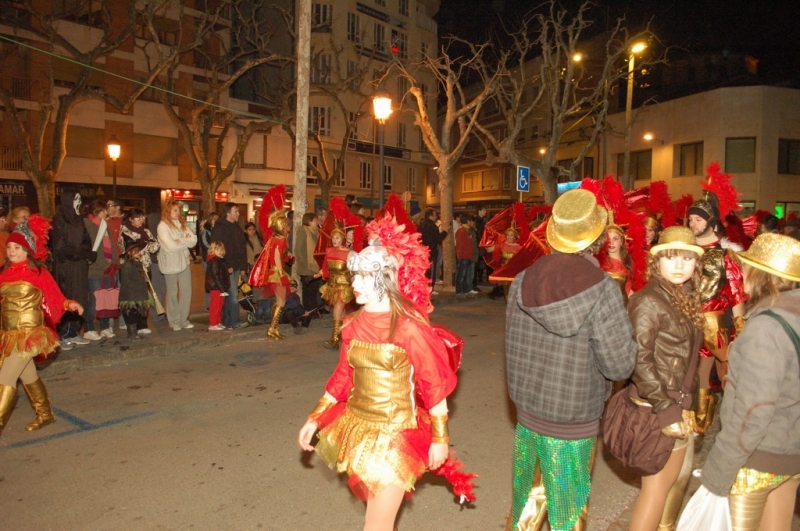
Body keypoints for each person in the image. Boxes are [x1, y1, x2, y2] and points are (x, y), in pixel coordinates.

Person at [298, 214, 468, 531]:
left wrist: (440, 438)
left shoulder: (409, 328)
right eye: (354, 276)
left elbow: (434, 386)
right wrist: (315, 418)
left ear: (386, 278)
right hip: (359, 431)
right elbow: (342, 379)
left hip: (396, 437)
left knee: (376, 525)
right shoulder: (351, 325)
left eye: (365, 276)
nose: (355, 284)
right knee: (378, 520)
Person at [505, 189, 637, 531]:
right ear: (595, 239)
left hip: (528, 412)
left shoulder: (521, 281)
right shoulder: (603, 288)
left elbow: (514, 346)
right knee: (568, 513)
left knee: (527, 506)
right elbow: (619, 365)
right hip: (573, 418)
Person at [701, 233, 800, 531]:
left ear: (763, 275)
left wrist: (719, 470)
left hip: (757, 460)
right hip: (790, 457)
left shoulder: (766, 328)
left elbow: (754, 410)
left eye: (747, 267)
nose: (741, 272)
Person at [626, 226, 706, 531]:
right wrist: (667, 409)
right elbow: (639, 359)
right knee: (657, 490)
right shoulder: (648, 300)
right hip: (660, 408)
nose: (679, 265)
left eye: (687, 259)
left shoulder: (683, 295)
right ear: (656, 262)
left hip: (679, 404)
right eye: (671, 258)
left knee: (675, 483)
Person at [0, 217, 84, 437]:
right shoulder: (3, 273)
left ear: (27, 250)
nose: (12, 251)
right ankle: (45, 414)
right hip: (9, 333)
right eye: (9, 247)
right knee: (27, 375)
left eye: (17, 247)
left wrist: (69, 303)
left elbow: (55, 297)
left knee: (5, 378)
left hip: (30, 333)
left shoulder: (38, 273)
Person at [687, 194, 746, 434]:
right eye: (690, 219)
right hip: (686, 320)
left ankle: (717, 420)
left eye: (698, 219)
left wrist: (741, 329)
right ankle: (695, 420)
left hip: (714, 322)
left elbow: (737, 294)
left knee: (723, 370)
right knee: (692, 371)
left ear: (711, 222)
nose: (692, 223)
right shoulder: (685, 252)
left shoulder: (725, 256)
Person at [51, 192, 95, 349]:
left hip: (80, 267)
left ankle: (74, 331)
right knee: (68, 298)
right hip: (66, 267)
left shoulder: (79, 220)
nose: (78, 203)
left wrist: (85, 252)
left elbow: (86, 239)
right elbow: (59, 246)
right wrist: (77, 253)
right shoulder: (59, 220)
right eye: (75, 199)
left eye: (80, 200)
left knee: (80, 298)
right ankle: (63, 334)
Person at [249, 186, 291, 340]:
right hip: (277, 272)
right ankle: (272, 328)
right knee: (281, 301)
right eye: (286, 224)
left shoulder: (273, 239)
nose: (288, 226)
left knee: (279, 301)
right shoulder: (279, 240)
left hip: (273, 272)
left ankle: (274, 327)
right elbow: (278, 256)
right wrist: (282, 274)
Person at [157, 200, 197, 332]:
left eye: (178, 210)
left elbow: (193, 241)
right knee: (172, 292)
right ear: (168, 211)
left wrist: (181, 241)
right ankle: (174, 321)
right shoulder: (163, 226)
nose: (178, 213)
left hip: (184, 261)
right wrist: (183, 241)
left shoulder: (182, 224)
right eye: (175, 210)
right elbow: (171, 246)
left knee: (186, 290)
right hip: (171, 263)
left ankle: (183, 319)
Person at [83, 199, 118, 341]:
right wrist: (103, 264)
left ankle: (105, 327)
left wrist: (115, 261)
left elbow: (110, 244)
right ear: (98, 211)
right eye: (104, 210)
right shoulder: (88, 225)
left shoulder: (104, 224)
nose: (107, 212)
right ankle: (89, 328)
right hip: (96, 270)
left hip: (109, 268)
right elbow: (93, 248)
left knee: (107, 299)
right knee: (95, 300)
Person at [211, 202, 247, 329]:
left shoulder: (237, 227)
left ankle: (226, 321)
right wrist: (225, 266)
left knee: (231, 294)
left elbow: (242, 247)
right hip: (227, 267)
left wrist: (243, 266)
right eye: (235, 211)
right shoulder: (220, 228)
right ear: (228, 213)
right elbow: (217, 249)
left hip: (237, 265)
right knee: (232, 295)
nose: (238, 213)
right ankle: (234, 321)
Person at [317, 222, 352, 349]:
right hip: (332, 285)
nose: (334, 240)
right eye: (333, 238)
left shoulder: (348, 253)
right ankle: (345, 336)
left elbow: (354, 270)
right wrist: (320, 273)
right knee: (341, 312)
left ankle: (335, 339)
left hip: (344, 286)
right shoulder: (330, 251)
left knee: (337, 310)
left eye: (337, 238)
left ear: (343, 239)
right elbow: (325, 267)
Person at [118, 238, 153, 340]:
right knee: (131, 315)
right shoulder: (127, 265)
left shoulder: (137, 264)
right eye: (137, 251)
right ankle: (132, 333)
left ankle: (134, 333)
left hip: (138, 294)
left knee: (137, 314)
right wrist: (137, 287)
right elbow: (125, 281)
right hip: (131, 296)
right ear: (131, 252)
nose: (139, 253)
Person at [598, 222, 633, 302]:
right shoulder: (601, 264)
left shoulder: (630, 262)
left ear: (621, 242)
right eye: (608, 239)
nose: (611, 242)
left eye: (615, 238)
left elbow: (629, 288)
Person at [295, 212, 322, 312]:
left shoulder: (317, 232)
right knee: (308, 291)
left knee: (314, 290)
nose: (317, 222)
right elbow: (299, 249)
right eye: (315, 220)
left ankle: (313, 310)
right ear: (309, 221)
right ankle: (308, 311)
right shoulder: (303, 230)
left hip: (315, 267)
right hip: (306, 268)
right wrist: (305, 263)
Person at [418, 209, 447, 294]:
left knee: (425, 271)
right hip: (431, 251)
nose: (436, 217)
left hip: (422, 251)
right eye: (434, 215)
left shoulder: (421, 225)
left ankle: (424, 287)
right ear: (430, 216)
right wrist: (445, 232)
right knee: (431, 270)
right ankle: (430, 288)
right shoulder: (432, 226)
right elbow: (438, 238)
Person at [205, 241, 230, 332]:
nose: (221, 251)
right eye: (218, 250)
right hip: (216, 287)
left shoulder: (218, 260)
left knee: (219, 305)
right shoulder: (215, 261)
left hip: (218, 286)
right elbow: (216, 276)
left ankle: (217, 322)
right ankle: (213, 323)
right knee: (216, 305)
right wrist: (222, 289)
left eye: (222, 249)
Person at [455, 213, 475, 295]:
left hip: (468, 256)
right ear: (467, 221)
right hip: (464, 256)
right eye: (470, 221)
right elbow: (461, 245)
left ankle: (465, 290)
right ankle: (459, 291)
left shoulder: (467, 230)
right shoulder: (462, 231)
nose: (471, 223)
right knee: (461, 274)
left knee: (466, 274)